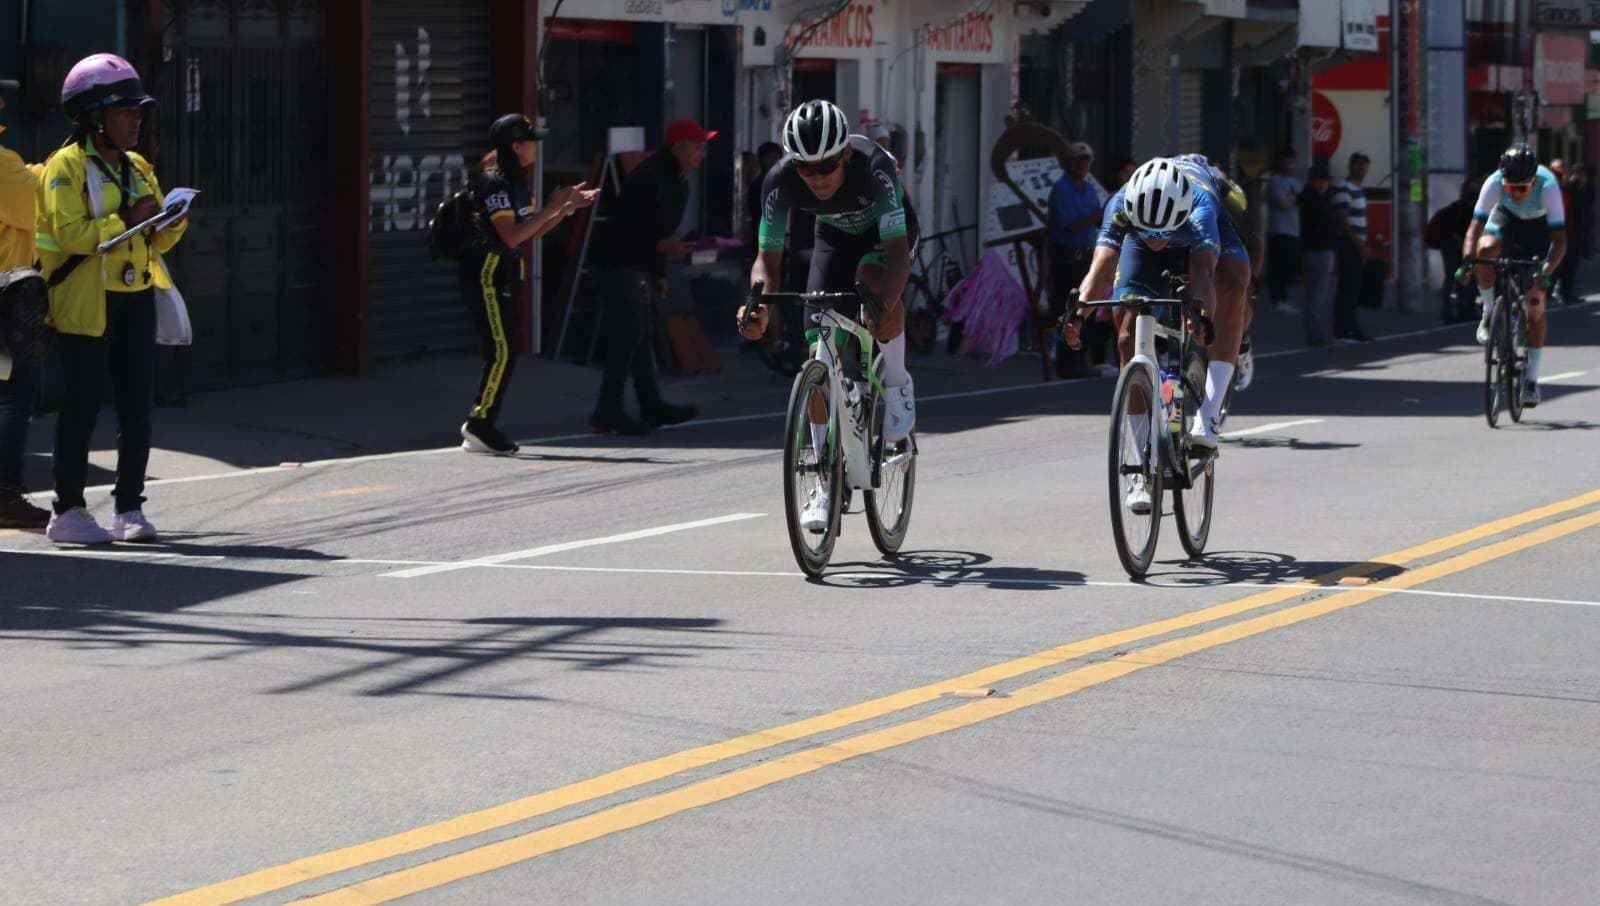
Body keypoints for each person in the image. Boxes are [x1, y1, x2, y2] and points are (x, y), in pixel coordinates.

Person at [736, 99, 920, 531]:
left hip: (886, 239)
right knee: (818, 344)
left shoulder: (875, 168)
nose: (817, 177)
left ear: (846, 154)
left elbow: (897, 254)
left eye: (826, 167)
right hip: (834, 239)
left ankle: (896, 384)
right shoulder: (779, 180)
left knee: (876, 294)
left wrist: (883, 304)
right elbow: (767, 259)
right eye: (806, 168)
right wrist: (757, 304)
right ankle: (822, 480)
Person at [35, 54, 188, 544]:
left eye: (138, 111)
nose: (136, 120)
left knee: (136, 407)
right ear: (94, 117)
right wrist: (126, 219)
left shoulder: (138, 167)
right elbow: (70, 233)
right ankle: (67, 512)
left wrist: (170, 220)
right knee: (80, 408)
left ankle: (129, 509)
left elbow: (157, 240)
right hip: (86, 302)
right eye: (125, 111)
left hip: (136, 294)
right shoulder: (65, 167)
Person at [1065, 153, 1253, 497]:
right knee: (1126, 330)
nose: (1155, 238)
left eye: (1161, 232)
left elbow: (1203, 272)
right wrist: (1079, 314)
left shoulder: (1201, 205)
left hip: (1200, 240)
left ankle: (1210, 415)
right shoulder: (1120, 204)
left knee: (1233, 282)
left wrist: (1200, 313)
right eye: (1148, 231)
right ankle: (1140, 468)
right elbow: (1101, 269)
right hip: (1140, 246)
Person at [458, 113, 597, 455]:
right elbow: (510, 237)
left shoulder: (516, 183)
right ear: (516, 146)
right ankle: (479, 422)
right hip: (487, 273)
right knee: (502, 350)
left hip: (504, 272)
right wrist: (552, 206)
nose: (537, 147)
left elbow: (532, 231)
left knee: (506, 349)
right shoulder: (494, 183)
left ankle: (482, 421)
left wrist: (564, 208)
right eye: (531, 141)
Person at [589, 119, 710, 435]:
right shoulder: (649, 177)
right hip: (615, 261)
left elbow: (659, 230)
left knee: (642, 333)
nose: (702, 153)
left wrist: (658, 271)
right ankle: (607, 410)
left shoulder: (678, 180)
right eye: (697, 146)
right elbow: (627, 229)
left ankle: (651, 404)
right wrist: (662, 248)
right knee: (630, 331)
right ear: (678, 146)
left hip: (637, 263)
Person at [1457, 143, 1566, 407]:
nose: (1515, 193)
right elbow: (1474, 229)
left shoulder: (1548, 186)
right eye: (1510, 188)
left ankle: (1531, 380)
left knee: (1535, 303)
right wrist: (1467, 263)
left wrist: (1546, 272)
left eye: (1522, 189)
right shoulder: (1494, 182)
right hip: (1507, 221)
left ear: (1533, 182)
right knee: (1484, 250)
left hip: (1539, 232)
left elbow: (1560, 241)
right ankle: (1487, 312)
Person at [0, 80, 49, 528]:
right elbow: (42, 204)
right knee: (12, 396)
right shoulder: (2, 164)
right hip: (6, 296)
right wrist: (58, 169)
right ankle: (5, 496)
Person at [1045, 141, 1104, 378]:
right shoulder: (1061, 189)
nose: (1082, 165)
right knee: (1069, 308)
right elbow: (1071, 226)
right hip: (1066, 260)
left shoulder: (1089, 189)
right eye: (1077, 160)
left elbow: (1097, 221)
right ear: (1068, 162)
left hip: (1086, 257)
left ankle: (1080, 360)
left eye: (1086, 160)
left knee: (1086, 309)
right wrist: (1098, 215)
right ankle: (1067, 363)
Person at [1330, 151, 1373, 341]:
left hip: (1357, 244)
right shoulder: (1343, 188)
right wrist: (1359, 243)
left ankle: (1349, 327)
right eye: (1358, 164)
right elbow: (1343, 220)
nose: (1362, 168)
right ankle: (1343, 329)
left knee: (1353, 287)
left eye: (1365, 164)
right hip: (1348, 243)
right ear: (1350, 165)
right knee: (1348, 287)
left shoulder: (1359, 189)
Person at [1297, 161, 1340, 347]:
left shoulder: (1318, 199)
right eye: (1319, 180)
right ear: (1312, 181)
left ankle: (1315, 332)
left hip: (1321, 248)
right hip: (1318, 249)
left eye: (1325, 181)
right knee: (1317, 294)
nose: (1323, 184)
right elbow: (1323, 225)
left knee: (1318, 293)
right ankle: (1315, 334)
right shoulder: (1313, 201)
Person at [1425, 179, 1476, 323]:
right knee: (1453, 275)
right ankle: (1449, 310)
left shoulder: (1470, 209)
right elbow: (1453, 231)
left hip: (1458, 243)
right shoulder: (1458, 209)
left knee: (1464, 275)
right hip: (1450, 242)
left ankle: (1463, 308)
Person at [1264, 148, 1302, 316]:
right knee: (1278, 266)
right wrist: (1295, 198)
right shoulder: (1275, 181)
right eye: (1286, 162)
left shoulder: (1296, 182)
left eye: (1292, 162)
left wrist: (1293, 198)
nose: (1290, 165)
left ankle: (1283, 299)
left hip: (1294, 230)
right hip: (1279, 230)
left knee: (1288, 266)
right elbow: (1282, 203)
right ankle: (1277, 299)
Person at [744, 141, 782, 246]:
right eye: (769, 158)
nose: (773, 162)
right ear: (761, 160)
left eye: (776, 159)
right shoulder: (758, 186)